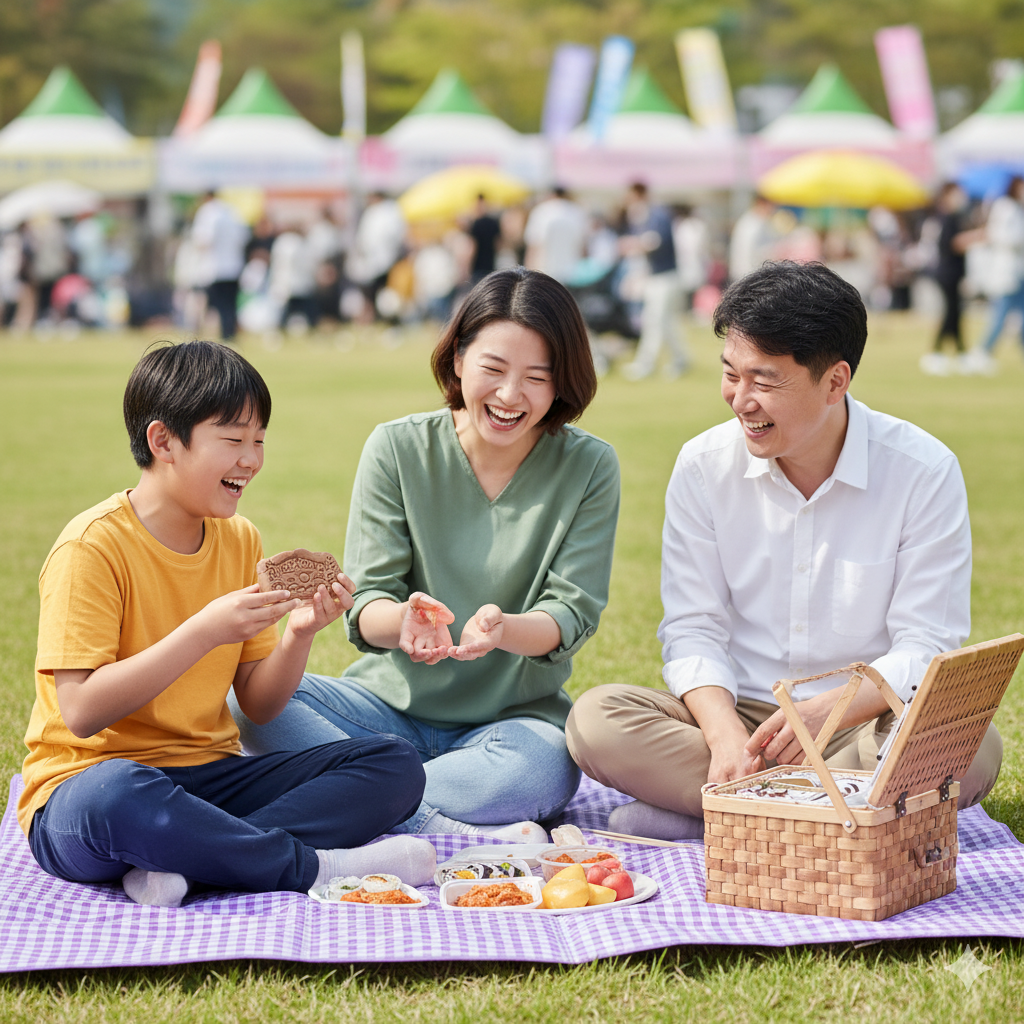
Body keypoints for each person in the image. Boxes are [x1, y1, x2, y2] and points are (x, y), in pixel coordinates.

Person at [566, 261, 1002, 841]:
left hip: (863, 720)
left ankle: (719, 813)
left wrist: (832, 710)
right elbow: (694, 629)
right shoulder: (703, 465)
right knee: (595, 721)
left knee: (971, 745)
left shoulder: (922, 470)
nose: (740, 400)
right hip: (742, 714)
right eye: (731, 374)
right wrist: (724, 738)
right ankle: (821, 815)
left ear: (835, 382)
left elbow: (926, 644)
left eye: (765, 381)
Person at [19, 341, 434, 907]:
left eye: (259, 440)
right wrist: (205, 631)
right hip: (88, 787)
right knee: (119, 793)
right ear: (163, 441)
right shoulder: (91, 548)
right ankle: (314, 867)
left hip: (210, 779)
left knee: (393, 764)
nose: (252, 460)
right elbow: (83, 712)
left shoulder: (239, 539)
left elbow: (258, 705)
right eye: (235, 440)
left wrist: (300, 634)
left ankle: (190, 862)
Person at [231, 268, 620, 842]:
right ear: (458, 358)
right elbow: (368, 603)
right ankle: (425, 819)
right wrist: (404, 621)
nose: (510, 396)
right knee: (246, 702)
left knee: (544, 768)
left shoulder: (590, 466)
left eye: (537, 378)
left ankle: (343, 801)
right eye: (493, 369)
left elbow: (571, 613)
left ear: (562, 381)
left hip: (510, 728)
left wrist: (502, 630)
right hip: (378, 714)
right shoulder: (396, 447)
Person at [619, 182, 689, 381]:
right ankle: (681, 359)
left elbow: (655, 242)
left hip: (665, 277)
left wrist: (633, 244)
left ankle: (645, 364)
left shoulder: (657, 215)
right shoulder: (643, 216)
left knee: (655, 321)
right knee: (664, 322)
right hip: (655, 277)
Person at [920, 184, 981, 376]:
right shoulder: (948, 218)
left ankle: (961, 353)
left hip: (953, 273)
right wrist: (977, 236)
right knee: (951, 313)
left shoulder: (952, 217)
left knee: (955, 313)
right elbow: (952, 243)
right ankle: (937, 352)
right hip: (948, 273)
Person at [970, 175, 1024, 372]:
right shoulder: (1005, 207)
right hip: (1006, 271)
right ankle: (982, 352)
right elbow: (999, 235)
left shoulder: (1018, 208)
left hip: (1018, 272)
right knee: (1000, 316)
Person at [191, 191, 249, 341]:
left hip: (214, 268)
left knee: (208, 305)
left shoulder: (207, 212)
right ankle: (229, 335)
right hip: (233, 267)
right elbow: (243, 238)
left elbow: (203, 241)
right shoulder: (231, 211)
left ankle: (199, 336)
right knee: (230, 305)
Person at [524, 187, 589, 284]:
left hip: (543, 271)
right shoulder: (577, 211)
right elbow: (584, 246)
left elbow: (533, 245)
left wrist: (528, 273)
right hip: (572, 272)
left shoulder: (541, 210)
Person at [467, 195, 502, 284]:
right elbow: (498, 244)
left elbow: (472, 246)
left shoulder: (476, 224)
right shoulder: (493, 222)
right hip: (491, 265)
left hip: (478, 266)